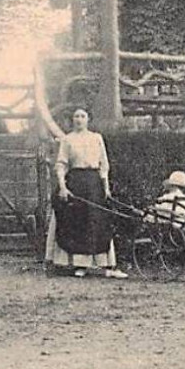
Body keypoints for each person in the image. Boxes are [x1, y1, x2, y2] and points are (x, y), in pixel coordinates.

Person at [46, 107, 127, 278]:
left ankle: (103, 264)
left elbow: (104, 164)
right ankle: (79, 265)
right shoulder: (67, 140)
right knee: (77, 221)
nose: (79, 119)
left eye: (82, 116)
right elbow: (61, 165)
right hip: (75, 182)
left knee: (96, 221)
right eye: (76, 116)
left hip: (94, 184)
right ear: (72, 119)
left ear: (88, 119)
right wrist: (63, 187)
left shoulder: (96, 138)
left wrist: (106, 188)